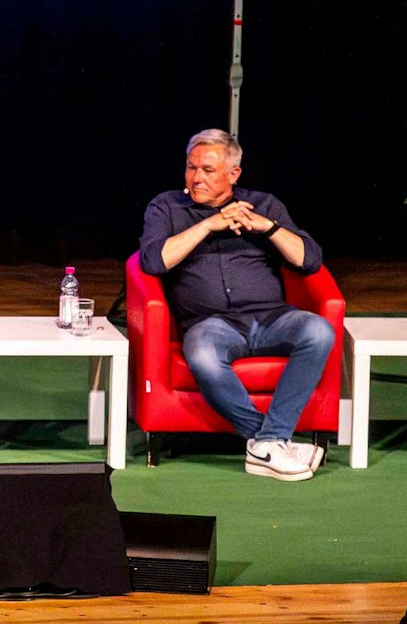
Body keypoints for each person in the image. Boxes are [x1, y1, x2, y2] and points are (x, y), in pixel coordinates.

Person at [136, 129, 333, 481]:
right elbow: (153, 261)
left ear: (233, 173)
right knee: (202, 354)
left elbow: (310, 261)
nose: (196, 178)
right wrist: (209, 225)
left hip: (273, 318)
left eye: (208, 170)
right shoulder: (167, 206)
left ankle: (268, 442)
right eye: (191, 168)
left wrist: (267, 228)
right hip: (212, 325)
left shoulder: (264, 204)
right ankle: (272, 440)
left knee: (319, 331)